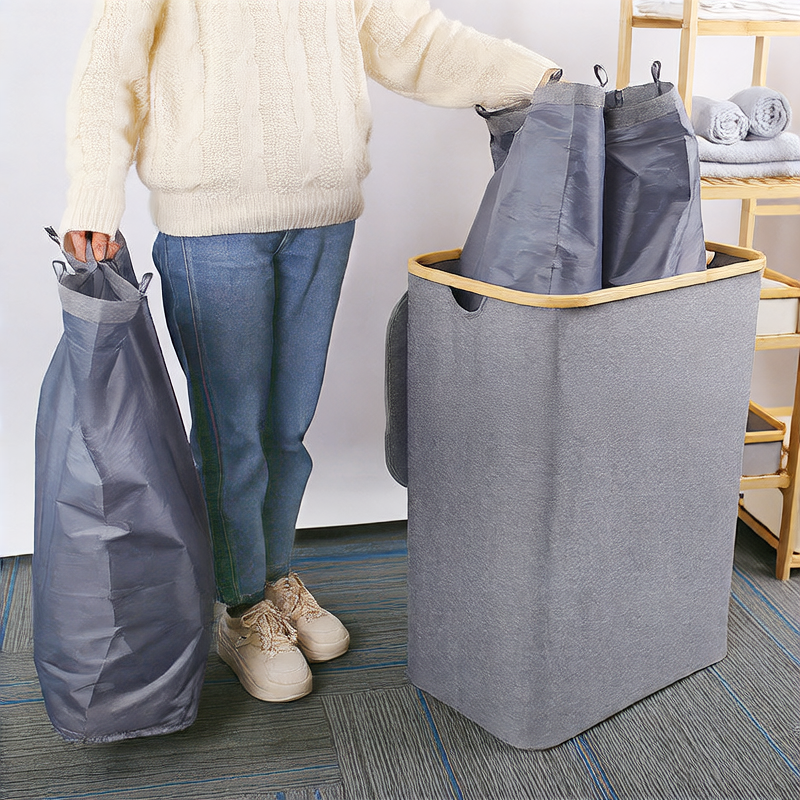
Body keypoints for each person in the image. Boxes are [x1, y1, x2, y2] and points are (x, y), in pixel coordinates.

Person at [60, 0, 557, 704]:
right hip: (211, 222)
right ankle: (238, 604)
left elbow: (407, 36)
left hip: (323, 216)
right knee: (232, 434)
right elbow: (110, 66)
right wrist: (93, 195)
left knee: (286, 428)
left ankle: (272, 573)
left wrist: (532, 76)